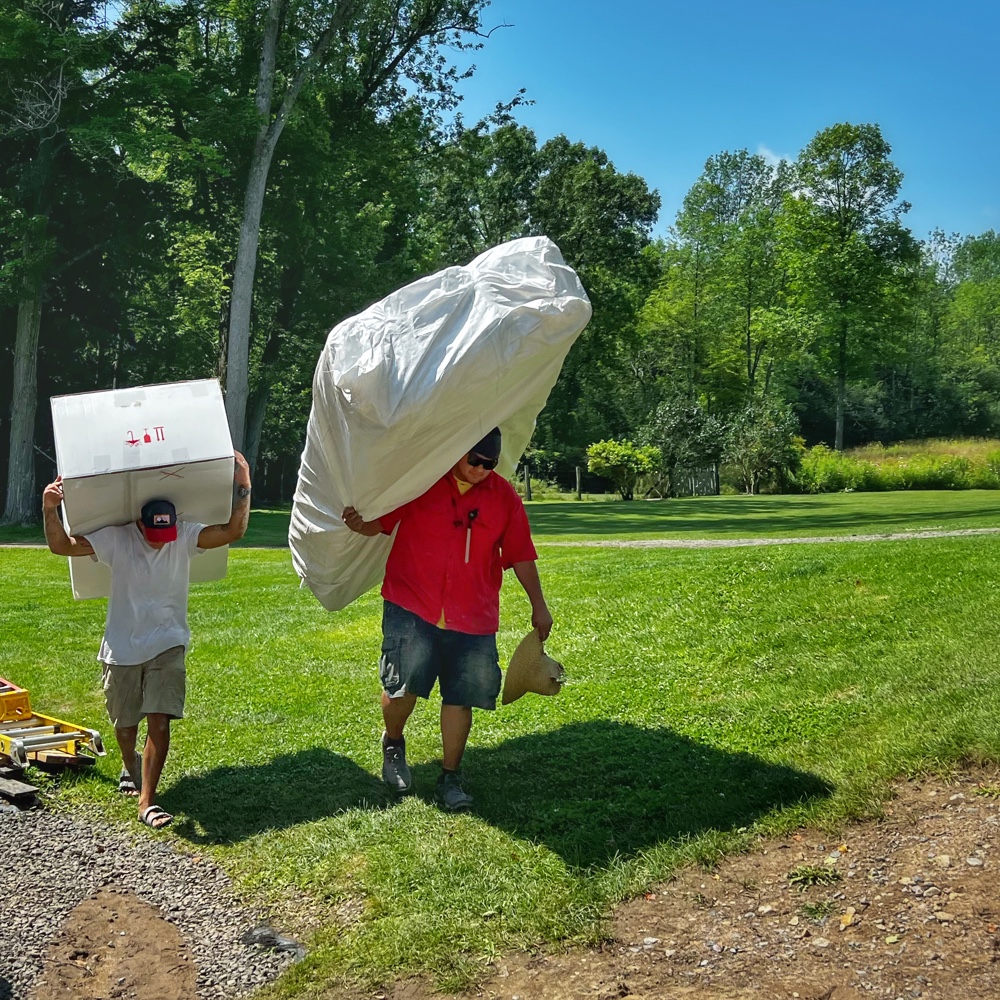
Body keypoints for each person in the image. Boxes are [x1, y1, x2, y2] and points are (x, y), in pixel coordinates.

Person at [343, 427, 552, 812]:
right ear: (458, 451)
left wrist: (538, 603)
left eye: (490, 465)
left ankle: (450, 776)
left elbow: (521, 552)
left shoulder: (504, 497)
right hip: (412, 605)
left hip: (473, 615)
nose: (481, 470)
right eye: (475, 461)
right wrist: (360, 523)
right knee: (402, 686)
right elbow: (382, 519)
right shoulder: (423, 481)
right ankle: (393, 743)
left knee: (461, 696)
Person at [42, 452, 252, 830]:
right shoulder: (117, 539)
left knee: (160, 722)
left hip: (168, 642)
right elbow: (62, 547)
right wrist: (50, 509)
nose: (160, 542)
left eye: (165, 534)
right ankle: (130, 763)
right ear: (140, 523)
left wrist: (243, 486)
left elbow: (233, 531)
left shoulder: (184, 534)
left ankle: (147, 802)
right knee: (125, 726)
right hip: (122, 647)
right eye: (153, 535)